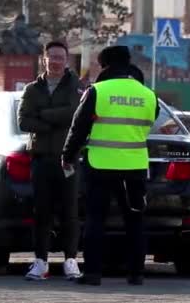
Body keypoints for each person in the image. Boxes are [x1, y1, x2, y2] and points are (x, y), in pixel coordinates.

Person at [62, 46, 159, 286]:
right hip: (135, 166)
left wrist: (67, 155)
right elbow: (151, 120)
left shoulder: (98, 91)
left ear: (104, 66)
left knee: (96, 220)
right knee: (135, 221)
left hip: (101, 165)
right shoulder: (148, 94)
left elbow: (79, 127)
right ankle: (136, 274)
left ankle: (93, 273)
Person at [17, 41, 85, 281]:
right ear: (44, 59)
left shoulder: (77, 87)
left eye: (60, 58)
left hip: (68, 159)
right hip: (42, 158)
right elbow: (24, 121)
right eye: (51, 57)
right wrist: (57, 120)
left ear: (67, 61)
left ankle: (70, 261)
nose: (55, 62)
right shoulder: (32, 89)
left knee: (70, 212)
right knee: (42, 212)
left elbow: (75, 113)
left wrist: (43, 115)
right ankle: (40, 262)